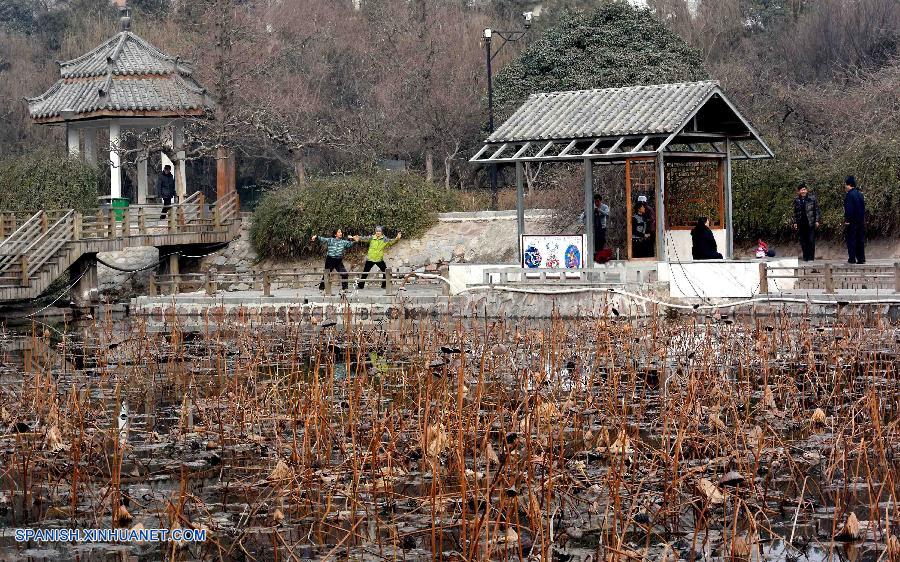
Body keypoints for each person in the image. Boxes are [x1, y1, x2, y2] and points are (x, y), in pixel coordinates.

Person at [792, 182, 820, 261]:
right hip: (801, 223)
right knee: (803, 241)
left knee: (811, 240)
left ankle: (811, 257)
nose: (803, 191)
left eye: (804, 189)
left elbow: (817, 210)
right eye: (801, 190)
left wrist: (817, 220)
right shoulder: (797, 200)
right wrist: (795, 222)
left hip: (810, 222)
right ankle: (805, 256)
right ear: (799, 192)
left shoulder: (812, 199)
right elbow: (795, 212)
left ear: (806, 190)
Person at [843, 175, 865, 264]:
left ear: (849, 185)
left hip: (852, 222)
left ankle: (852, 258)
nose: (845, 187)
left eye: (846, 185)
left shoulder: (849, 195)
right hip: (860, 221)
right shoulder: (860, 194)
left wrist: (847, 220)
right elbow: (863, 208)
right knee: (860, 239)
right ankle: (861, 258)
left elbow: (848, 209)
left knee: (851, 239)